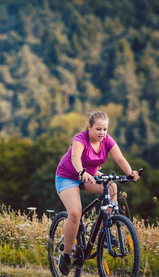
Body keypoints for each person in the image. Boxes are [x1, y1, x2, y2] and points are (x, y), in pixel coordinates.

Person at [55, 111, 140, 275]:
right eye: (98, 129)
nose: (102, 133)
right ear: (89, 127)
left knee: (112, 187)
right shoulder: (80, 140)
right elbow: (75, 158)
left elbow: (120, 159)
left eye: (105, 129)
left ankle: (104, 231)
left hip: (90, 176)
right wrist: (82, 172)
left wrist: (130, 172)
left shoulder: (107, 141)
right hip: (68, 177)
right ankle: (66, 255)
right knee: (75, 213)